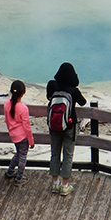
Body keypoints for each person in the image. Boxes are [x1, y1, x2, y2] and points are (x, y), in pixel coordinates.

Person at [46, 62, 86, 196]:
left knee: (55, 153)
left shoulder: (52, 85)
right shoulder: (73, 90)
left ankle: (55, 184)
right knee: (68, 155)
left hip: (54, 125)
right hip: (69, 125)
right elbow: (83, 102)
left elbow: (48, 97)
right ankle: (65, 186)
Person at [3, 80, 34, 187]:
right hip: (23, 137)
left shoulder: (7, 104)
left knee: (18, 153)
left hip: (13, 135)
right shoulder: (23, 108)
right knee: (23, 156)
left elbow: (7, 120)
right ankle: (19, 178)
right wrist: (31, 140)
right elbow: (27, 126)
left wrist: (10, 130)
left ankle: (10, 171)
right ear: (23, 92)